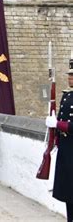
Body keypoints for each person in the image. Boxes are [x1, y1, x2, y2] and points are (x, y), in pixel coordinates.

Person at [45, 58, 73, 220]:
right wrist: (55, 140)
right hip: (65, 147)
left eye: (72, 76)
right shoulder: (67, 95)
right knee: (68, 191)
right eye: (69, 75)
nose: (69, 78)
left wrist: (58, 124)